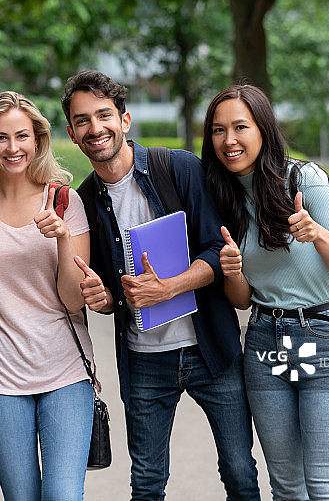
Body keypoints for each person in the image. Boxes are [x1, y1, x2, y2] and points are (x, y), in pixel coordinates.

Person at [61, 70, 260, 501]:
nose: (95, 128)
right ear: (72, 133)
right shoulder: (85, 201)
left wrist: (169, 287)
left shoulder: (178, 168)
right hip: (144, 360)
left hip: (211, 349)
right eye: (82, 120)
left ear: (124, 120)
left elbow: (218, 250)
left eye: (103, 115)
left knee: (240, 473)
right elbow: (108, 293)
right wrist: (102, 297)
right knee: (147, 484)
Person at [202, 84, 329, 500]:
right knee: (287, 489)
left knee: (327, 489)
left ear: (264, 129)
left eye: (241, 127)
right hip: (264, 342)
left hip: (325, 336)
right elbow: (242, 300)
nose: (229, 140)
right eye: (219, 130)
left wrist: (317, 234)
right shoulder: (223, 194)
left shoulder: (307, 181)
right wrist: (233, 272)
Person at [0, 91, 95, 500]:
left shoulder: (64, 201)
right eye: (1, 137)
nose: (13, 148)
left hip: (64, 369)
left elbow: (74, 301)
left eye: (22, 136)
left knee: (63, 495)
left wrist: (63, 239)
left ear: (37, 139)